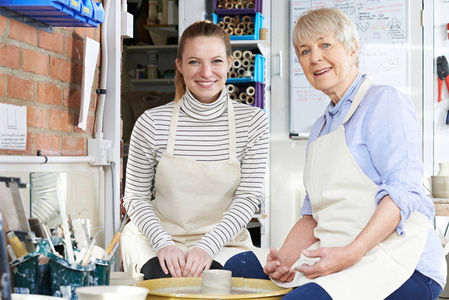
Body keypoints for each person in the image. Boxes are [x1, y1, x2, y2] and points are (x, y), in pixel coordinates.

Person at [263, 7, 446, 300]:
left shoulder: (384, 103)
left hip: (400, 262)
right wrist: (284, 261)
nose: (315, 58)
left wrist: (353, 251)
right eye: (304, 51)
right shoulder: (321, 126)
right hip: (344, 259)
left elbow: (403, 192)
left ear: (352, 48)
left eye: (325, 44)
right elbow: (312, 215)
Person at [120, 20, 269, 280]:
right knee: (167, 282)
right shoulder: (152, 122)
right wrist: (163, 243)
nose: (206, 72)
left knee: (236, 282)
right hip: (157, 238)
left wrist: (206, 247)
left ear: (230, 63)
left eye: (216, 61)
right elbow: (135, 197)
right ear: (178, 65)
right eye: (194, 62)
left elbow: (247, 199)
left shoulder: (253, 121)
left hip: (225, 242)